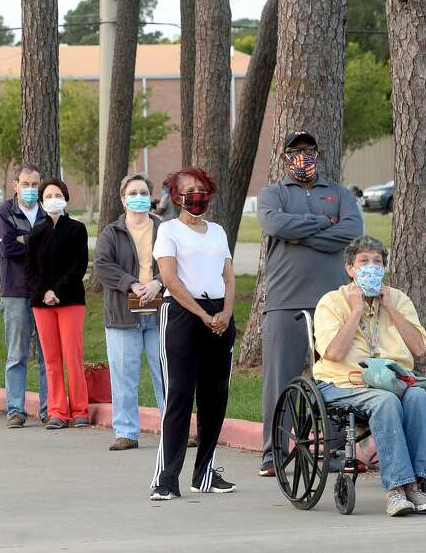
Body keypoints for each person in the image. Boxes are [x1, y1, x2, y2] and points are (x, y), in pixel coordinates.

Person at [256, 131, 363, 477]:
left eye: (309, 150)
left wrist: (298, 233)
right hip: (284, 300)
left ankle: (333, 451)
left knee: (332, 377)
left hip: (331, 304)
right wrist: (320, 224)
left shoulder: (338, 193)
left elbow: (350, 231)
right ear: (285, 156)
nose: (303, 156)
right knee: (280, 379)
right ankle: (273, 454)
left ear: (318, 153)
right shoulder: (274, 193)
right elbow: (273, 223)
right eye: (296, 151)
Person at [313, 235, 426, 517]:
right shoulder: (332, 302)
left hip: (392, 381)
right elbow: (333, 353)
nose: (370, 267)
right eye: (363, 262)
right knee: (385, 401)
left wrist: (391, 309)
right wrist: (357, 308)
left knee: (420, 397)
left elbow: (419, 348)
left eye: (377, 262)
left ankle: (417, 485)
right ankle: (397, 490)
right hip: (342, 382)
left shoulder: (398, 299)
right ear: (350, 268)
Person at [150, 167, 237, 501]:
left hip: (219, 314)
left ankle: (205, 473)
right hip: (184, 313)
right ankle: (166, 477)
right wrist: (202, 315)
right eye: (188, 190)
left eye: (201, 189)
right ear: (176, 197)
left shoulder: (217, 231)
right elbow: (169, 278)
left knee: (215, 396)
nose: (196, 195)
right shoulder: (169, 231)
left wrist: (226, 314)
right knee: (180, 396)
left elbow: (228, 277)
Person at [93, 173, 166, 448]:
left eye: (143, 192)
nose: (139, 198)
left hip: (160, 314)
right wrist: (132, 284)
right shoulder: (111, 233)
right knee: (124, 374)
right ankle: (126, 432)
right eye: (132, 193)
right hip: (124, 314)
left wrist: (157, 283)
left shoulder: (164, 229)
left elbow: (175, 263)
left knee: (166, 373)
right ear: (123, 199)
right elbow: (103, 266)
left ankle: (172, 428)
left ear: (151, 197)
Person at [24, 178, 89, 430]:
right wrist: (44, 292)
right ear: (41, 203)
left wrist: (57, 290)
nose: (53, 199)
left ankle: (80, 409)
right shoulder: (36, 232)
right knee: (51, 359)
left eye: (57, 195)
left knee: (73, 355)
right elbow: (29, 270)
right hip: (42, 303)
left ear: (65, 198)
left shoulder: (77, 229)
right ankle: (57, 411)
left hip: (70, 299)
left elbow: (79, 265)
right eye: (48, 196)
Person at [0, 163, 48, 428]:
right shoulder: (4, 211)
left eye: (34, 184)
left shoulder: (48, 209)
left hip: (44, 291)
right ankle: (15, 409)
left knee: (46, 354)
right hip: (15, 292)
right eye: (25, 184)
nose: (30, 189)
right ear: (15, 185)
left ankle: (50, 408)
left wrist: (24, 240)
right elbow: (7, 250)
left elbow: (56, 247)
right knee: (17, 354)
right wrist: (37, 242)